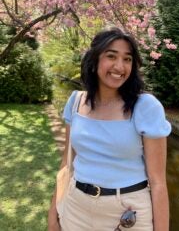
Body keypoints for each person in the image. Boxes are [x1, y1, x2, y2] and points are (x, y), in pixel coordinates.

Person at [48, 26, 171, 231]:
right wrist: (54, 213)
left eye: (127, 59)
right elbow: (66, 164)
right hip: (75, 208)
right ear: (94, 60)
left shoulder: (145, 106)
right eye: (111, 56)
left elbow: (158, 182)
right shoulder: (76, 101)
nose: (120, 66)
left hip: (127, 215)